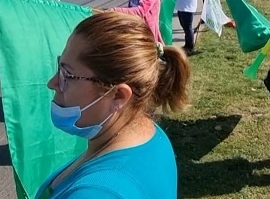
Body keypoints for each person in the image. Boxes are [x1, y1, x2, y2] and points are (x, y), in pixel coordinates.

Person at [36, 11, 190, 199]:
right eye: (60, 66)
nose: (52, 83)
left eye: (67, 75)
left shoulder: (95, 193)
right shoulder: (150, 135)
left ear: (118, 95)